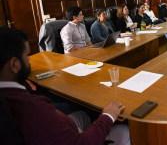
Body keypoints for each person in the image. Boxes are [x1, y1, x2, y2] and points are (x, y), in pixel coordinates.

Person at [0, 26, 130, 145]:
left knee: (83, 115)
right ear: (14, 64)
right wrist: (107, 116)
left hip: (58, 129)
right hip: (76, 139)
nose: (29, 60)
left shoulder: (9, 97)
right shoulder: (35, 108)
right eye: (26, 56)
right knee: (125, 130)